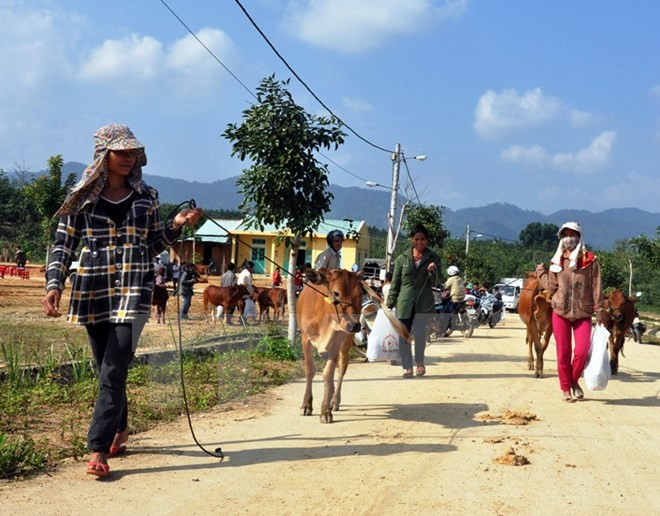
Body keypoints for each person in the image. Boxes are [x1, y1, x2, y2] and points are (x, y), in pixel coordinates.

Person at [41, 124, 202, 478]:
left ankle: (98, 449)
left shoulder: (147, 196)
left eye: (133, 152)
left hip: (134, 292)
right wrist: (55, 283)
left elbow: (154, 244)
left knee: (114, 370)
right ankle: (121, 427)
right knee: (106, 370)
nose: (129, 158)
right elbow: (63, 244)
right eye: (122, 152)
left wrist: (175, 225)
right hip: (92, 292)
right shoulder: (81, 198)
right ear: (104, 155)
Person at [536, 222, 604, 403]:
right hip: (560, 311)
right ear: (561, 239)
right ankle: (566, 388)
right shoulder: (556, 261)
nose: (569, 238)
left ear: (579, 237)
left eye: (572, 234)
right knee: (563, 353)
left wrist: (600, 310)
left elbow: (597, 286)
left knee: (581, 352)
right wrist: (541, 272)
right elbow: (551, 286)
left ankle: (573, 381)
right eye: (565, 234)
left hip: (584, 312)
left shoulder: (591, 260)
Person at [386, 224, 440, 378]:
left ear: (427, 241)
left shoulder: (434, 258)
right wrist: (388, 304)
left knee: (420, 335)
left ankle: (420, 363)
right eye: (417, 239)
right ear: (412, 240)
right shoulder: (401, 259)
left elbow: (437, 282)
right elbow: (395, 284)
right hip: (404, 303)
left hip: (423, 304)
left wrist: (432, 272)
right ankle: (407, 367)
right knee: (404, 336)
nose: (420, 242)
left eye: (423, 239)